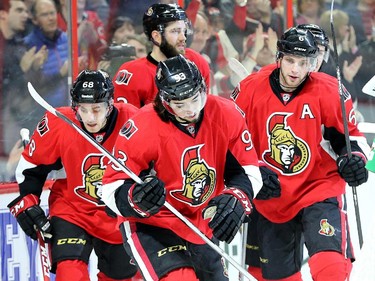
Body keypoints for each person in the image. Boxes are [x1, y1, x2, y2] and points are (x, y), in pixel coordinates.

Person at [102, 55, 262, 280]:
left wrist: (237, 197)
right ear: (164, 100)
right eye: (179, 104)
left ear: (204, 88)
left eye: (195, 99)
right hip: (153, 225)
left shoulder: (227, 115)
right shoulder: (142, 127)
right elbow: (109, 188)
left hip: (200, 224)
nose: (189, 109)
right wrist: (135, 198)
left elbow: (247, 171)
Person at [231, 27, 370, 280]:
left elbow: (348, 137)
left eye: (303, 62)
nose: (295, 70)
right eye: (290, 61)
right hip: (271, 196)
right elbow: (232, 143)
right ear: (279, 58)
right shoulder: (250, 89)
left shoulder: (328, 90)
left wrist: (355, 160)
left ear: (313, 63)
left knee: (331, 269)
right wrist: (253, 172)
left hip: (317, 188)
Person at [7, 70, 141, 281]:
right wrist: (28, 202)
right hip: (73, 210)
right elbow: (32, 167)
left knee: (119, 277)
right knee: (69, 274)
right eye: (83, 109)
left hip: (117, 214)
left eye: (96, 109)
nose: (90, 117)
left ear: (111, 103)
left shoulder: (133, 121)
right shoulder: (59, 121)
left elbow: (154, 165)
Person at [112, 3, 210, 107]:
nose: (183, 38)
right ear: (156, 36)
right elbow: (127, 120)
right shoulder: (132, 73)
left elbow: (203, 112)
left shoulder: (197, 62)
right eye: (175, 31)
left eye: (184, 31)